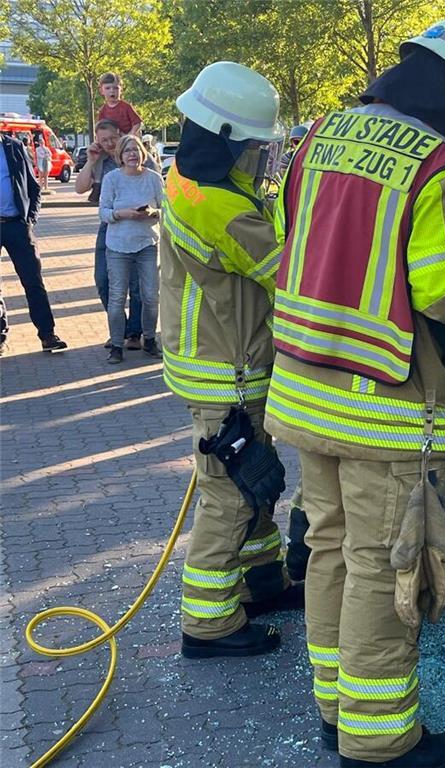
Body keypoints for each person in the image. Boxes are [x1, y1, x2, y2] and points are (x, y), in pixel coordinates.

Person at [264, 19, 445, 768]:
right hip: (383, 405)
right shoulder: (439, 168)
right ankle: (380, 744)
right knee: (383, 564)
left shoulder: (319, 138)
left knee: (329, 550)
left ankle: (337, 713)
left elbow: (288, 239)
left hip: (306, 392)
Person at [161, 61, 302, 660]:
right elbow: (287, 273)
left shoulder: (189, 180)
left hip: (224, 366)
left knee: (256, 481)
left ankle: (263, 580)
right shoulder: (221, 210)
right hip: (227, 374)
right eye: (252, 147)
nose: (259, 158)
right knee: (231, 495)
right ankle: (209, 624)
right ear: (225, 141)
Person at [76, 119, 156, 349]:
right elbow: (80, 188)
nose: (109, 144)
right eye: (103, 141)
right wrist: (90, 161)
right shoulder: (100, 160)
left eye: (112, 138)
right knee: (103, 280)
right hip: (111, 225)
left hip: (141, 227)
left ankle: (133, 333)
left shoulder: (138, 153)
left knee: (138, 285)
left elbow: (154, 184)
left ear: (119, 133)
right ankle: (119, 328)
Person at [98, 134, 163, 363]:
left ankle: (150, 340)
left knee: (150, 297)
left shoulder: (154, 178)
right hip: (118, 246)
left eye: (135, 150)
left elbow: (166, 210)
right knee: (117, 297)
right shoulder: (112, 179)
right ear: (120, 156)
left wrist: (153, 213)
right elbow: (103, 212)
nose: (132, 154)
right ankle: (116, 345)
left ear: (142, 154)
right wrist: (122, 214)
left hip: (147, 244)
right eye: (127, 151)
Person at [0, 132, 67, 354]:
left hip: (17, 225)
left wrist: (30, 220)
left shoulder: (14, 147)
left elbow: (33, 186)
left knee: (33, 282)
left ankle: (47, 334)